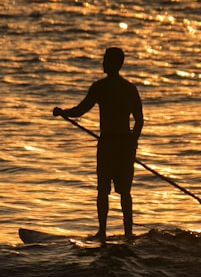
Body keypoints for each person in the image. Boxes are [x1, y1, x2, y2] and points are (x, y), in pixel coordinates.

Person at [53, 47, 144, 240]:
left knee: (104, 189)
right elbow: (139, 121)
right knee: (125, 192)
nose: (102, 63)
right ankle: (128, 233)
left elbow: (81, 109)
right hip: (124, 145)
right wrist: (132, 143)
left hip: (108, 144)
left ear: (112, 63)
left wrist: (63, 112)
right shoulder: (130, 88)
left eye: (105, 60)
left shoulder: (101, 87)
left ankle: (103, 232)